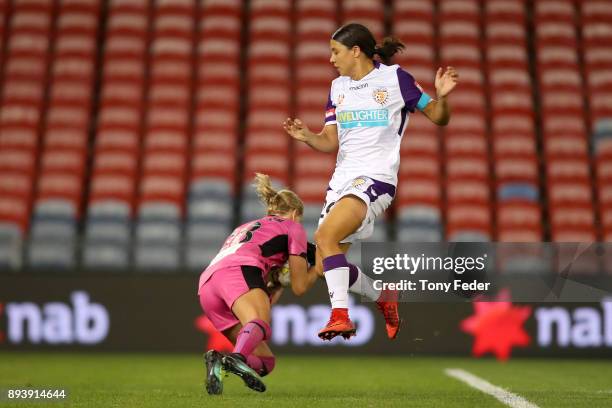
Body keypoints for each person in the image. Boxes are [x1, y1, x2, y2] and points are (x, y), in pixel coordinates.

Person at [283, 23, 458, 341]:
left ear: (355, 51)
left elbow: (438, 116)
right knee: (325, 263)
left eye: (335, 52)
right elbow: (329, 141)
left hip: (375, 178)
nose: (331, 59)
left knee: (325, 235)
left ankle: (339, 316)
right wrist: (307, 136)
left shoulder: (395, 79)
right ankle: (383, 297)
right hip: (341, 181)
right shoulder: (338, 88)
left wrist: (442, 98)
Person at [198, 173, 319, 395]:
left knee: (264, 361)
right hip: (238, 272)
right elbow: (300, 287)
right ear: (294, 214)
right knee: (260, 321)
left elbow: (261, 291)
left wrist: (277, 283)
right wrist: (318, 267)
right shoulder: (293, 227)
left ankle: (219, 360)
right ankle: (236, 358)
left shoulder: (248, 227)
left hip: (208, 284)